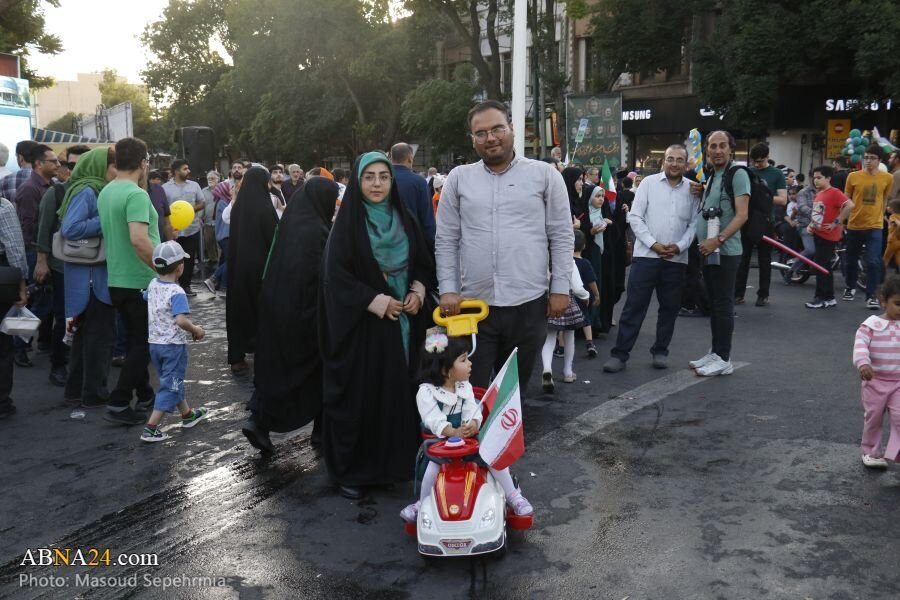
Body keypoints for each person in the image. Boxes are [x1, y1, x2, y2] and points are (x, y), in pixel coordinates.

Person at [436, 100, 573, 395]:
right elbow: (446, 238)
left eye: (497, 128)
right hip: (473, 307)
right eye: (481, 133)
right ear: (473, 139)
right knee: (468, 391)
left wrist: (561, 288)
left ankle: (509, 426)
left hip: (528, 303)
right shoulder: (458, 178)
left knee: (511, 393)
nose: (490, 138)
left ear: (511, 128)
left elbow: (561, 235)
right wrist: (447, 288)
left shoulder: (545, 175)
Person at [320, 151, 434, 500]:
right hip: (364, 329)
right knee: (362, 397)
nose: (377, 184)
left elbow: (423, 260)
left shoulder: (405, 217)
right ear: (357, 181)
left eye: (384, 176)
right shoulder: (348, 225)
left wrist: (418, 290)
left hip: (403, 325)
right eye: (369, 177)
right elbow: (335, 277)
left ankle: (388, 468)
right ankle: (352, 472)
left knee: (395, 395)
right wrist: (374, 300)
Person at [242, 177, 340, 454]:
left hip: (275, 311)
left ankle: (258, 421)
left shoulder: (287, 226)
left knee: (274, 369)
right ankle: (321, 432)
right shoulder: (320, 232)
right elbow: (323, 278)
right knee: (320, 371)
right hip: (307, 317)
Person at [399, 331, 533, 523]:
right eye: (463, 360)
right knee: (432, 469)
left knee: (492, 456)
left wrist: (473, 423)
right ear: (445, 369)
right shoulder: (426, 392)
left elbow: (473, 408)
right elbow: (433, 419)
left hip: (469, 441)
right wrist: (452, 431)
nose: (470, 363)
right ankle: (422, 503)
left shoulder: (464, 387)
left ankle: (514, 496)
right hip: (441, 444)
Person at [603, 144, 701, 373]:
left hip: (676, 259)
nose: (674, 163)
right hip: (646, 256)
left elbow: (694, 224)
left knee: (669, 308)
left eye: (679, 160)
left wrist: (679, 246)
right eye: (670, 159)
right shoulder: (648, 183)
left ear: (686, 164)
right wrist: (654, 244)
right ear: (663, 161)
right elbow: (635, 218)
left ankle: (661, 350)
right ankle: (620, 354)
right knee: (634, 307)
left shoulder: (693, 190)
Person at [97, 137, 160, 425]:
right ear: (143, 163)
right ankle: (119, 402)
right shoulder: (136, 195)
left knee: (136, 341)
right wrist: (163, 269)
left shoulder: (107, 191)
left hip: (118, 279)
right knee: (143, 344)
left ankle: (145, 394)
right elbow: (139, 239)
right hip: (139, 280)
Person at [58, 147, 118, 409]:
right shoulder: (88, 191)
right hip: (92, 277)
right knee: (99, 337)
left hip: (86, 275)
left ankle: (76, 391)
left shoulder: (90, 188)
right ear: (99, 167)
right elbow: (70, 228)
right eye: (113, 166)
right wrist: (106, 220)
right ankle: (94, 393)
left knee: (85, 337)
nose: (116, 171)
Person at [34, 144, 91, 387]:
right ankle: (59, 365)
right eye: (70, 164)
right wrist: (41, 262)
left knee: (89, 318)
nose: (74, 169)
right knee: (65, 317)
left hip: (93, 264)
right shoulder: (56, 193)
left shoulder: (99, 191)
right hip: (62, 266)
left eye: (80, 164)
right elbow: (43, 230)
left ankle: (82, 365)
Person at [693, 131, 749, 377]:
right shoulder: (715, 175)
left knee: (723, 304)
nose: (717, 150)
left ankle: (724, 358)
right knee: (714, 303)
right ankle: (716, 352)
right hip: (710, 250)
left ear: (730, 149)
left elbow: (742, 215)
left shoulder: (738, 174)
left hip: (725, 251)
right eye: (712, 146)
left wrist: (718, 240)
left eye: (722, 146)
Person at [140, 241, 208, 442]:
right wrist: (196, 329)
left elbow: (146, 297)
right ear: (179, 268)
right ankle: (151, 428)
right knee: (171, 385)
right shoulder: (177, 292)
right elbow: (180, 320)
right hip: (173, 347)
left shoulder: (153, 285)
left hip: (155, 345)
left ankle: (187, 415)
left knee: (172, 381)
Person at [226, 166, 279, 376]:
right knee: (261, 312)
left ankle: (237, 357)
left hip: (237, 267)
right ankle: (263, 352)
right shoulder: (265, 207)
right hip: (260, 268)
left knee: (238, 310)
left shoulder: (238, 207)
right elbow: (274, 238)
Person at [853, 275, 900, 468]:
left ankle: (896, 452)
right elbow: (860, 345)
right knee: (874, 417)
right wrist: (863, 363)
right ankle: (871, 451)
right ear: (883, 301)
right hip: (875, 381)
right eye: (897, 304)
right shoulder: (871, 325)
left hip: (898, 382)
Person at [843, 145, 895, 309]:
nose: (868, 161)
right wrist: (841, 220)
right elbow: (846, 199)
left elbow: (885, 199)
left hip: (875, 225)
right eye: (866, 157)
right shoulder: (853, 176)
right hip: (854, 224)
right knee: (850, 260)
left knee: (873, 261)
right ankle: (850, 286)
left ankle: (872, 295)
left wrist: (881, 217)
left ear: (879, 160)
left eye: (872, 158)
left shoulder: (887, 178)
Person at [735, 143, 786, 307]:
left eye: (760, 161)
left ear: (767, 157)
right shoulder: (747, 172)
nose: (757, 164)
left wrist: (762, 197)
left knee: (765, 260)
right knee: (743, 259)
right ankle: (738, 294)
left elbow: (783, 199)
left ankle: (763, 295)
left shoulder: (776, 173)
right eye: (754, 161)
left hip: (766, 221)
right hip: (746, 220)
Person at [540, 248, 590, 393]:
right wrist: (586, 295)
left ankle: (547, 369)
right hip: (565, 299)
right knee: (569, 336)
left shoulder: (543, 258)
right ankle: (568, 371)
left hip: (548, 301)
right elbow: (577, 286)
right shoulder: (568, 260)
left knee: (549, 337)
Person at [804, 166, 853, 309]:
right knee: (825, 267)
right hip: (818, 234)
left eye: (819, 177)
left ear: (828, 178)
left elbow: (850, 205)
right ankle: (829, 297)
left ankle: (820, 298)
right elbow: (818, 214)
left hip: (828, 236)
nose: (816, 180)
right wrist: (811, 226)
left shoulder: (834, 192)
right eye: (814, 177)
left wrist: (836, 222)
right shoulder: (820, 194)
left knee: (820, 267)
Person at [0, 191, 30, 419]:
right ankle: (2, 402)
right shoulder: (3, 206)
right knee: (2, 344)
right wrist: (22, 284)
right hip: (2, 278)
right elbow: (14, 248)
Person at [162, 160, 205, 296]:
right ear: (176, 171)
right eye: (185, 169)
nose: (188, 171)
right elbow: (163, 208)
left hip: (191, 229)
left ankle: (186, 286)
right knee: (172, 259)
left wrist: (189, 210)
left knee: (189, 259)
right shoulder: (165, 188)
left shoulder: (194, 185)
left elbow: (202, 202)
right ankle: (172, 286)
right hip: (173, 231)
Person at [391, 143, 436, 247]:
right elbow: (427, 218)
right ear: (410, 159)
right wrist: (431, 244)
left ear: (391, 158)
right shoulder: (419, 182)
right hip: (413, 242)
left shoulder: (383, 180)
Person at [573, 230, 600, 358]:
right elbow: (591, 281)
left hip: (567, 296)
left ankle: (561, 347)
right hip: (582, 297)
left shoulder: (565, 262)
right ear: (584, 246)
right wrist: (597, 295)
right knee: (586, 318)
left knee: (563, 324)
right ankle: (589, 343)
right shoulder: (585, 263)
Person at [200, 170, 220, 266]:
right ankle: (213, 259)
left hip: (219, 222)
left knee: (219, 243)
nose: (210, 180)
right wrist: (200, 218)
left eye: (212, 178)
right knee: (208, 242)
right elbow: (202, 205)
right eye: (208, 178)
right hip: (207, 222)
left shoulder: (222, 189)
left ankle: (220, 261)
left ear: (218, 179)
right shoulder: (203, 191)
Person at [885, 198, 900, 272]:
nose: (887, 207)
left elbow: (898, 224)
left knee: (886, 258)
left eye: (889, 206)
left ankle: (880, 273)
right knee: (898, 258)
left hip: (892, 241)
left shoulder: (893, 216)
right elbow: (891, 226)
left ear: (893, 209)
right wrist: (886, 220)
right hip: (899, 241)